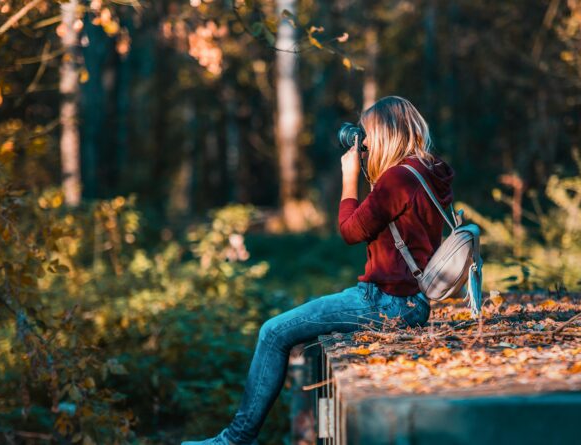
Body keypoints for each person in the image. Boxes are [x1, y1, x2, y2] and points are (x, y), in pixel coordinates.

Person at [181, 96, 455, 445]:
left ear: (386, 133)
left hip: (386, 302)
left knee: (273, 332)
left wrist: (349, 177)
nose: (364, 143)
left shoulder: (398, 179)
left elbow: (350, 231)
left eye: (368, 134)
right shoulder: (427, 170)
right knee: (300, 332)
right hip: (413, 300)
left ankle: (234, 439)